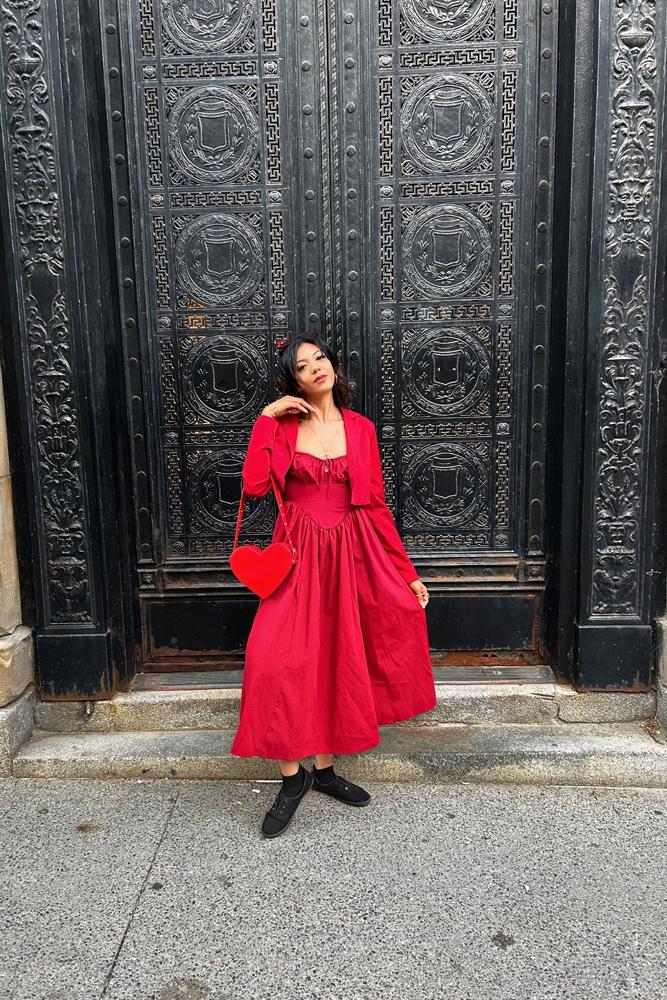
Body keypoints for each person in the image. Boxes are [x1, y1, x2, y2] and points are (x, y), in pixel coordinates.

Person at [230, 333, 437, 837]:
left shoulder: (361, 429)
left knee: (335, 655)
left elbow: (376, 506)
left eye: (319, 358)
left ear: (333, 365)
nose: (315, 368)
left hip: (351, 550)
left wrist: (407, 572)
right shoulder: (281, 427)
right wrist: (264, 418)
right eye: (302, 366)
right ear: (293, 381)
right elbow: (254, 486)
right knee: (273, 658)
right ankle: (292, 778)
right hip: (297, 551)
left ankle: (323, 771)